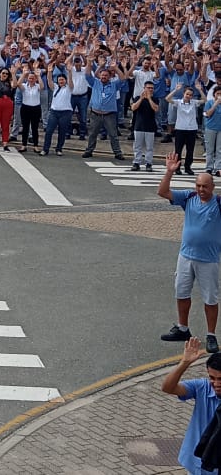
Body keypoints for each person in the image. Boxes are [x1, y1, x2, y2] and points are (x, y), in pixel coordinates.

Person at [159, 152, 221, 353]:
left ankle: (211, 334)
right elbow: (163, 192)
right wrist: (169, 172)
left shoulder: (218, 203)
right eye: (198, 186)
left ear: (212, 187)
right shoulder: (189, 197)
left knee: (210, 298)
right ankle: (182, 328)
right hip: (186, 256)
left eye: (205, 186)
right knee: (182, 292)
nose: (201, 190)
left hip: (209, 259)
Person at [160, 337, 221, 475]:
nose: (216, 384)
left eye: (220, 379)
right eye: (212, 378)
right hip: (197, 466)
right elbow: (168, 387)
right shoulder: (202, 387)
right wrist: (185, 363)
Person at [81, 59, 128, 161]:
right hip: (95, 114)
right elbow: (87, 75)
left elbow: (123, 79)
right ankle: (89, 151)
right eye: (102, 75)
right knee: (92, 134)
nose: (103, 77)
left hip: (109, 115)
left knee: (113, 135)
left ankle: (118, 153)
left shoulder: (114, 85)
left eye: (106, 75)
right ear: (99, 76)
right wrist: (89, 62)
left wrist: (116, 68)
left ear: (109, 77)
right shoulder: (95, 83)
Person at [131, 80, 161, 172]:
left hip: (150, 126)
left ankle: (149, 163)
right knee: (137, 146)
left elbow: (156, 109)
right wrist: (141, 98)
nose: (150, 89)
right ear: (144, 88)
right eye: (148, 88)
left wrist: (149, 99)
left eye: (152, 88)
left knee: (149, 147)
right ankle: (136, 162)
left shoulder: (155, 99)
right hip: (139, 125)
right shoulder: (137, 98)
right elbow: (133, 108)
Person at [206, 88, 221, 177]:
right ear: (214, 94)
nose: (219, 95)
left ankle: (218, 168)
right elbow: (208, 114)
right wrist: (216, 103)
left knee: (219, 150)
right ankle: (209, 167)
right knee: (210, 149)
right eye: (217, 93)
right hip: (211, 128)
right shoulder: (209, 103)